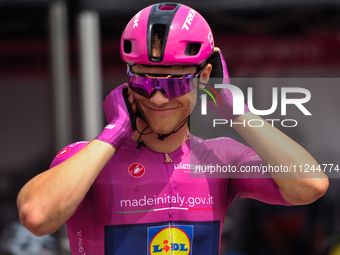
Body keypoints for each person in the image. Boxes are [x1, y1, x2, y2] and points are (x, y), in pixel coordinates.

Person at [17, 2, 328, 254]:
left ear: (204, 77)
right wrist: (113, 133)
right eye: (145, 79)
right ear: (128, 78)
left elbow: (309, 186)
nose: (158, 96)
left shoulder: (220, 156)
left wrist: (237, 112)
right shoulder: (87, 158)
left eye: (176, 81)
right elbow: (36, 217)